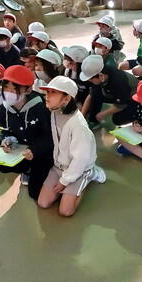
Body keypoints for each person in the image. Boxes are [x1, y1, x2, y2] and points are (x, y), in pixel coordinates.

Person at [37, 76, 107, 215]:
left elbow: (80, 159)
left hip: (80, 169)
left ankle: (91, 174)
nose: (47, 96)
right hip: (59, 166)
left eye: (53, 92)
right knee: (43, 203)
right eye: (47, 92)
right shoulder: (54, 112)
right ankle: (70, 189)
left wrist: (64, 181)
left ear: (67, 99)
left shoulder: (78, 125)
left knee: (66, 211)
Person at [0, 65, 53, 200]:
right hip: (22, 151)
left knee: (35, 193)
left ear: (28, 89)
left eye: (15, 88)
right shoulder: (2, 110)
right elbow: (5, 132)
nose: (9, 92)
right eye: (6, 87)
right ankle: (27, 169)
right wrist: (6, 141)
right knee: (1, 166)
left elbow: (51, 137)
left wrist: (35, 150)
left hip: (42, 153)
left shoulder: (42, 107)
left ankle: (50, 170)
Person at [80, 54, 138, 127]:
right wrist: (81, 116)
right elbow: (90, 96)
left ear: (101, 76)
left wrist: (102, 114)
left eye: (90, 80)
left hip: (132, 97)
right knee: (95, 94)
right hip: (114, 93)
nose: (90, 81)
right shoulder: (102, 74)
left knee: (117, 119)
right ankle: (93, 121)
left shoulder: (118, 81)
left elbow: (121, 105)